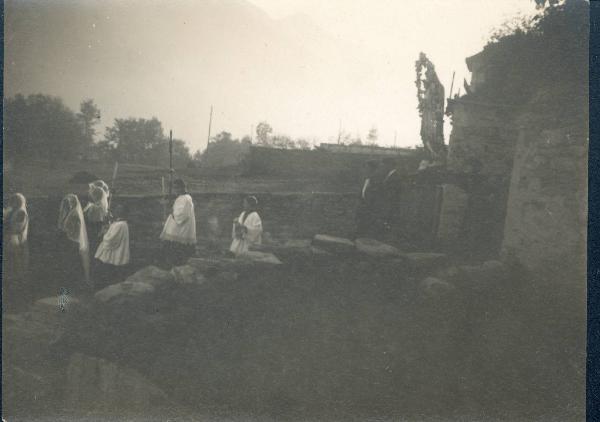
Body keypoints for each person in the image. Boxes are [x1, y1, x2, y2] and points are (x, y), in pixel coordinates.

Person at [160, 178, 197, 267]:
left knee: (177, 252)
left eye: (177, 188)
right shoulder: (181, 198)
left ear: (182, 187)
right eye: (174, 188)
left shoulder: (186, 199)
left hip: (180, 230)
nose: (175, 190)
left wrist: (172, 212)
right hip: (177, 228)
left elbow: (182, 215)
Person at [3, 193, 31, 308]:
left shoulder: (21, 212)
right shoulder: (15, 211)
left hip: (16, 241)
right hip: (11, 240)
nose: (12, 203)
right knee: (11, 267)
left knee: (17, 267)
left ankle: (17, 300)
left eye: (15, 201)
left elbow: (16, 227)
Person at [58, 194, 91, 288]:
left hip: (73, 241)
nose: (68, 204)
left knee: (72, 262)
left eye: (70, 202)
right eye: (66, 203)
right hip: (70, 240)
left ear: (74, 202)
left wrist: (68, 231)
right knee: (70, 262)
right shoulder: (72, 211)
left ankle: (73, 284)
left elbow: (75, 228)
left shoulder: (75, 213)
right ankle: (71, 283)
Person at [94, 203, 130, 288]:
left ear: (122, 212)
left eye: (118, 210)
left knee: (109, 270)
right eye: (116, 209)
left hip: (115, 251)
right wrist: (108, 227)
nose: (116, 211)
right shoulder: (118, 222)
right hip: (113, 250)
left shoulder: (121, 224)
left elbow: (111, 239)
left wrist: (104, 233)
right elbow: (112, 229)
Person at [355, 159, 384, 239]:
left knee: (367, 226)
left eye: (367, 168)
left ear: (372, 169)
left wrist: (369, 204)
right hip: (362, 205)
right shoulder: (366, 178)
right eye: (365, 167)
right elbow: (362, 192)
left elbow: (375, 194)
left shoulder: (376, 179)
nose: (365, 169)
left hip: (370, 207)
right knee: (360, 225)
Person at [83, 181, 110, 255]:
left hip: (95, 220)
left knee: (94, 233)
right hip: (99, 219)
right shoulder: (100, 204)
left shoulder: (95, 206)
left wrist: (89, 207)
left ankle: (94, 248)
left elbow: (91, 216)